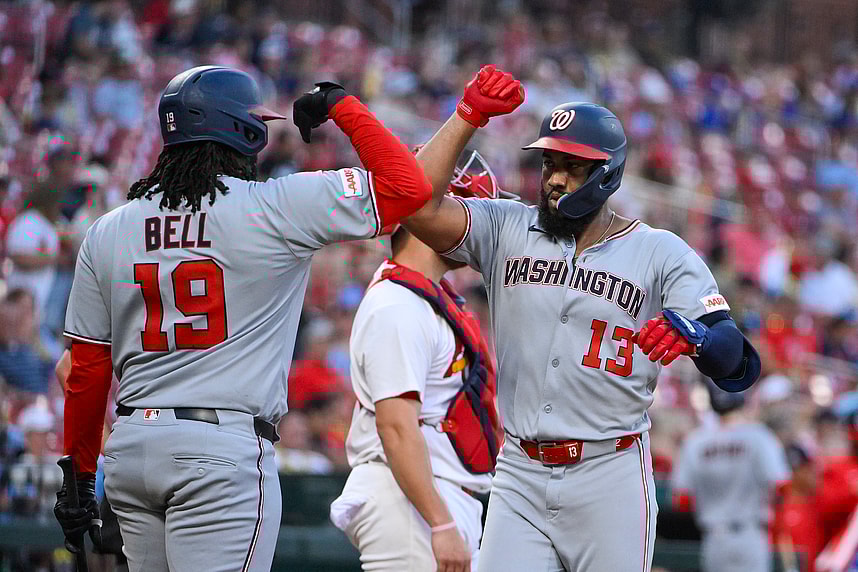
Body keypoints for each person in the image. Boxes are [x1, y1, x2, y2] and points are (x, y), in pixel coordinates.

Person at [52, 64, 437, 572]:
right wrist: (341, 105)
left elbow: (85, 370)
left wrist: (79, 477)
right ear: (244, 131)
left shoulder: (109, 229)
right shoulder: (274, 207)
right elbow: (408, 187)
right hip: (220, 452)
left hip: (132, 449)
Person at [402, 65, 762, 571]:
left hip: (608, 473)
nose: (554, 178)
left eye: (572, 165)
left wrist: (699, 339)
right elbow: (415, 206)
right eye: (550, 162)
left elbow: (739, 362)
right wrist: (467, 117)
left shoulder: (658, 252)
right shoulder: (508, 226)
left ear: (606, 174)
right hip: (521, 471)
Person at [330, 151, 513, 572]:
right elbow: (395, 426)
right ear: (424, 217)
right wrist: (441, 521)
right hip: (410, 500)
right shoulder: (398, 303)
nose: (471, 223)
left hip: (428, 498)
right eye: (459, 207)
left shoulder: (424, 297)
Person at [671, 383, 790, 572]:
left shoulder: (695, 441)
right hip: (751, 534)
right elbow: (781, 486)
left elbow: (682, 500)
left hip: (714, 538)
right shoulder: (758, 435)